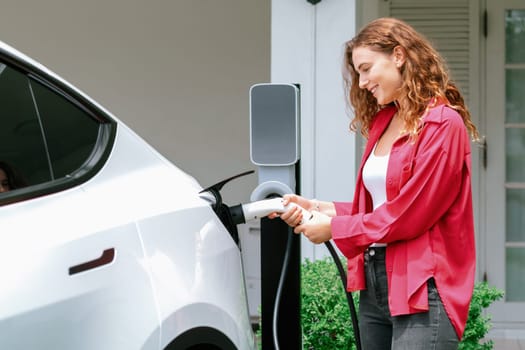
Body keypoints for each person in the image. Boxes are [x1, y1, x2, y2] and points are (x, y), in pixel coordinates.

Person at [272, 17, 479, 349]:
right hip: (374, 280)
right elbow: (378, 207)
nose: (363, 81)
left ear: (398, 55)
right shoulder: (385, 122)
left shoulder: (443, 124)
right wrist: (318, 207)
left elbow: (410, 213)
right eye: (358, 73)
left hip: (422, 286)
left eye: (367, 68)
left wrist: (335, 228)